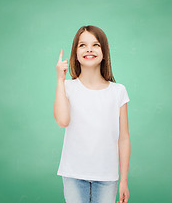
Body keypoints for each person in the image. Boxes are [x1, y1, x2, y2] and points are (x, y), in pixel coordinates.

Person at [54, 25, 131, 203]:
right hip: (73, 174)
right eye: (82, 45)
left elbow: (124, 138)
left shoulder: (118, 91)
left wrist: (124, 181)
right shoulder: (67, 87)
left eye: (95, 44)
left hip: (106, 176)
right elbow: (63, 120)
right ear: (75, 53)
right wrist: (59, 79)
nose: (89, 49)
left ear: (104, 52)